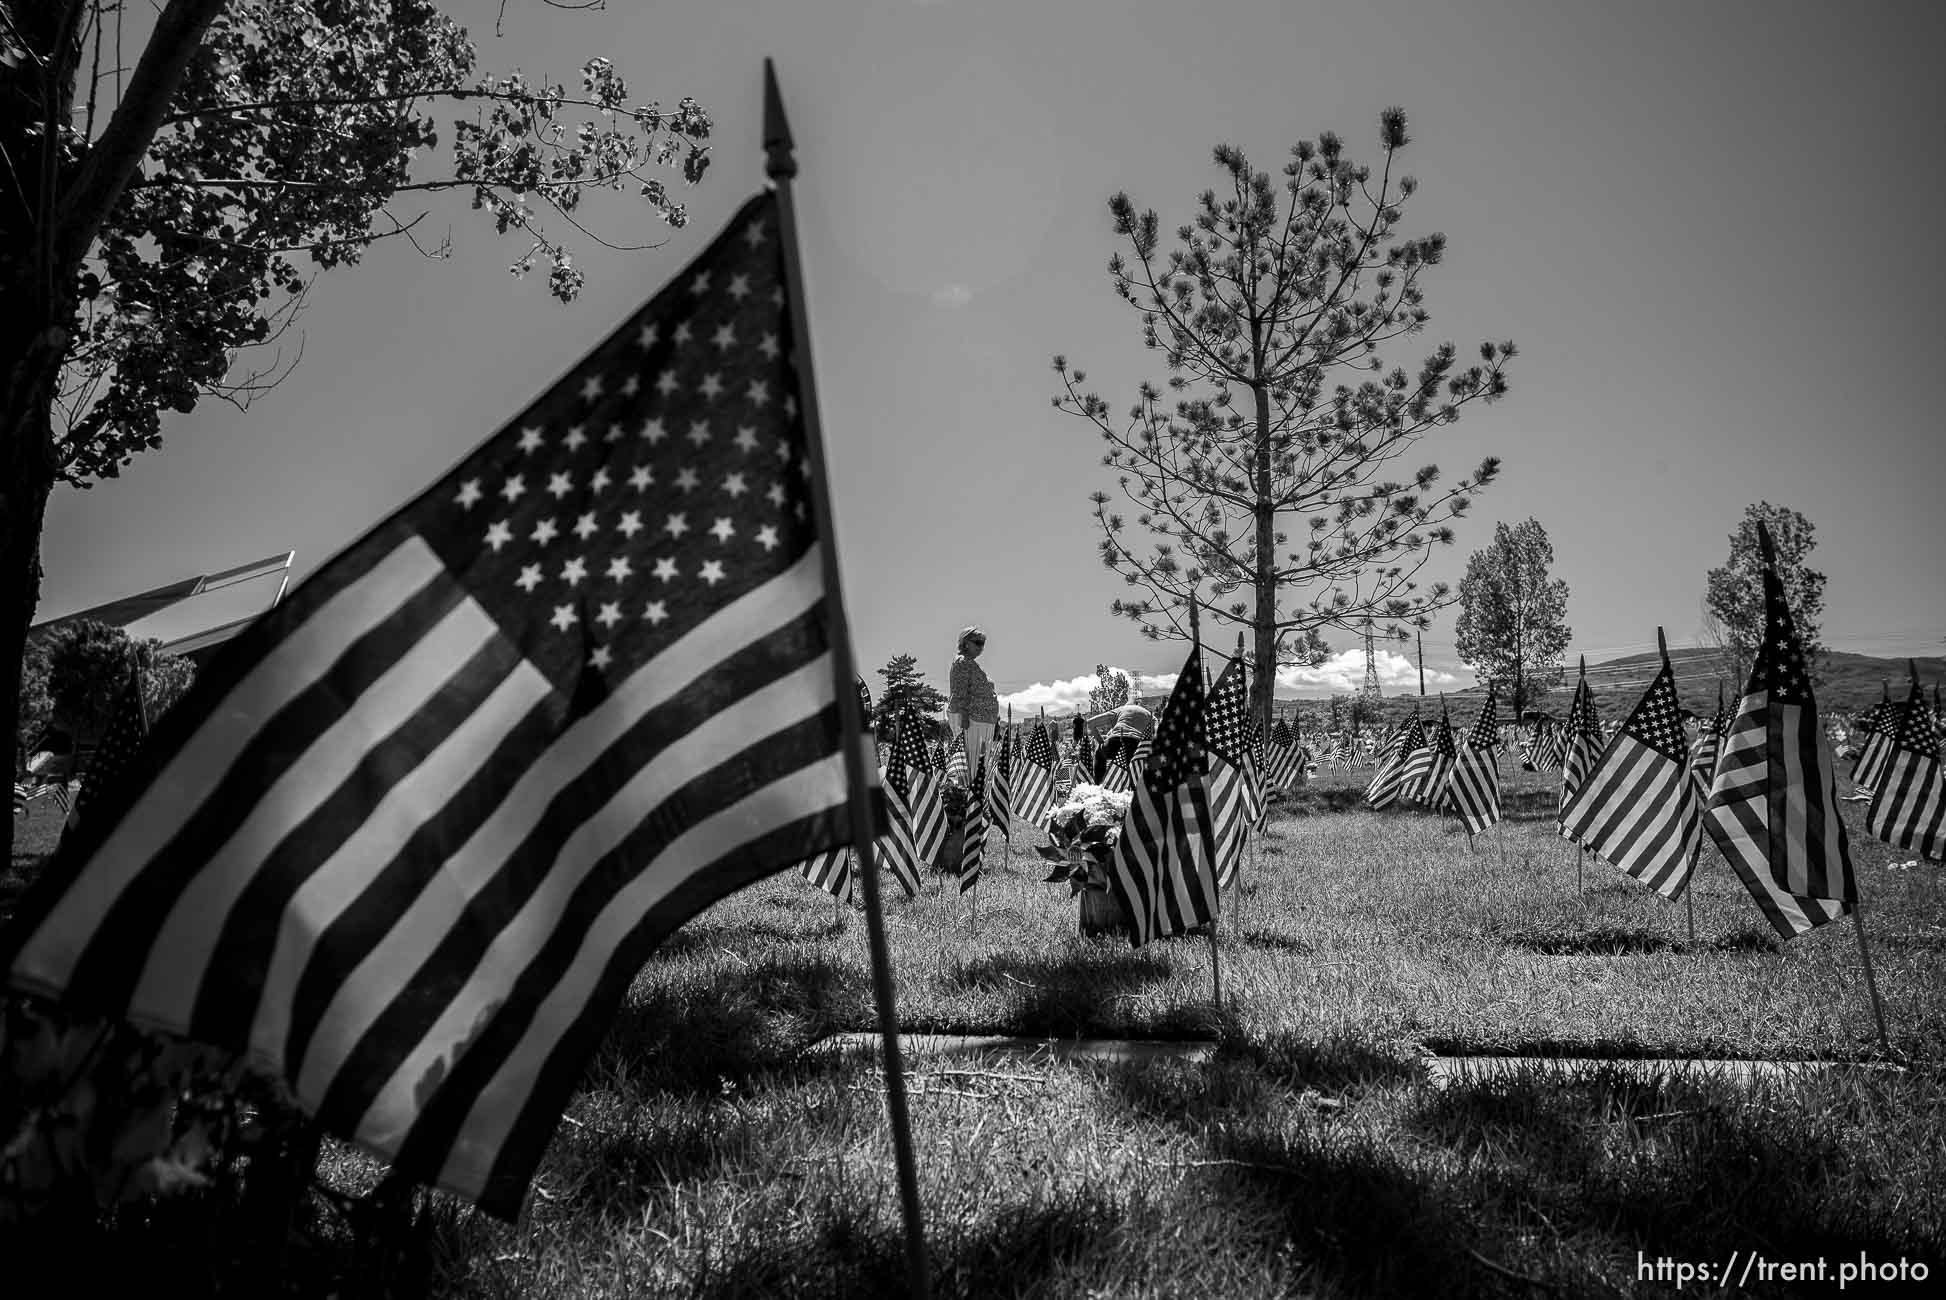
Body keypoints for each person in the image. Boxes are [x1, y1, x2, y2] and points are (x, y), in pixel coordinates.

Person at [947, 626, 999, 780]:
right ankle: (972, 796)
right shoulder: (962, 661)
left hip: (979, 719)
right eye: (977, 642)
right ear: (965, 642)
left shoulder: (968, 662)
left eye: (983, 643)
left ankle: (976, 792)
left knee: (979, 763)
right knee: (974, 764)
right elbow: (959, 690)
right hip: (971, 720)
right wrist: (963, 716)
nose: (981, 647)